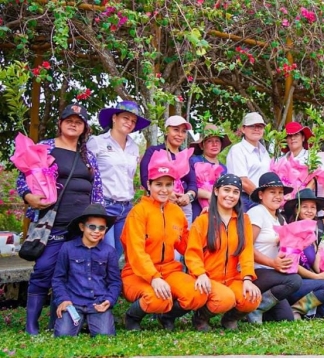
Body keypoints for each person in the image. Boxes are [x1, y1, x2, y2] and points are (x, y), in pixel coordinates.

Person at [16, 103, 104, 335]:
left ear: (85, 127)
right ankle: (31, 325)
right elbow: (23, 179)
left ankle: (58, 322)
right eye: (69, 119)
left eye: (79, 121)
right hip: (52, 222)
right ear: (60, 122)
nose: (74, 123)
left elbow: (97, 190)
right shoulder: (45, 147)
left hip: (82, 227)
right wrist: (29, 197)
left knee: (72, 273)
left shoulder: (87, 156)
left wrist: (98, 216)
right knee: (44, 270)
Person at [121, 149, 207, 331]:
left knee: (198, 294)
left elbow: (187, 245)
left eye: (168, 185)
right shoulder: (138, 213)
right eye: (158, 184)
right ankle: (131, 316)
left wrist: (204, 226)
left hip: (169, 270)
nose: (164, 189)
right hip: (138, 273)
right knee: (159, 298)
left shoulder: (176, 212)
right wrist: (154, 278)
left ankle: (166, 316)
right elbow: (136, 252)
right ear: (148, 184)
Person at [185, 174, 262, 331]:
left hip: (232, 278)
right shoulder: (203, 220)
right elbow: (192, 253)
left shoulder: (244, 220)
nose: (230, 195)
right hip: (208, 277)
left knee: (253, 298)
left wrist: (247, 278)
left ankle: (229, 319)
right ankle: (200, 317)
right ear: (216, 191)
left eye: (235, 192)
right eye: (226, 190)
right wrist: (200, 274)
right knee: (225, 298)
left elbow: (246, 251)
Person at [89, 101, 150, 259]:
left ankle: (111, 284)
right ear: (114, 118)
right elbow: (86, 172)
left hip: (125, 208)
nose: (129, 123)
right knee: (105, 252)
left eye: (133, 121)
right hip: (104, 206)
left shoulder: (134, 147)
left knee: (118, 253)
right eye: (125, 118)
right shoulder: (97, 142)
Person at [51, 204, 121, 337]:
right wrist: (63, 299)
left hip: (97, 303)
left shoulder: (109, 252)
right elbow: (58, 279)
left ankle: (94, 321)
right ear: (82, 227)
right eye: (92, 227)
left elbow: (115, 282)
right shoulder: (67, 248)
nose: (97, 231)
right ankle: (80, 321)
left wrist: (109, 300)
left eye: (101, 228)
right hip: (73, 302)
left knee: (105, 336)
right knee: (63, 336)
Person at [246, 172, 303, 323]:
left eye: (280, 193)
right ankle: (256, 307)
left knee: (286, 318)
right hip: (255, 271)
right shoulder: (257, 212)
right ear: (260, 194)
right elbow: (246, 247)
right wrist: (272, 263)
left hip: (272, 274)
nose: (278, 196)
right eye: (272, 192)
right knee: (294, 280)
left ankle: (255, 305)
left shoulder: (280, 218)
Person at [283, 189, 324, 320]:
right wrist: (317, 277)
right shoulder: (291, 231)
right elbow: (292, 264)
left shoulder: (311, 231)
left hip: (310, 282)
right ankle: (296, 309)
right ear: (296, 209)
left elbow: (315, 259)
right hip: (295, 283)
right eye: (305, 207)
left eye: (313, 207)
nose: (309, 211)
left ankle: (306, 308)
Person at [140, 115, 198, 223]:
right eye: (176, 130)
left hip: (182, 206)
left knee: (183, 238)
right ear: (166, 131)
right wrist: (165, 193)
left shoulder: (185, 156)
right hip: (158, 204)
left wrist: (188, 196)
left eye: (183, 131)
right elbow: (145, 178)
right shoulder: (153, 152)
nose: (180, 135)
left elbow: (193, 182)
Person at [226, 112, 271, 212]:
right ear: (243, 129)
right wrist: (262, 199)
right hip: (245, 200)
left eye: (260, 126)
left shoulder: (264, 152)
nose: (256, 129)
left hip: (262, 200)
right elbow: (243, 181)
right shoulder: (237, 150)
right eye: (252, 126)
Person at [189, 123, 230, 221]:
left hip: (218, 210)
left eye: (217, 141)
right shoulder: (193, 161)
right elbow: (188, 185)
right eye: (209, 141)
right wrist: (208, 195)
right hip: (196, 208)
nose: (214, 144)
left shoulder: (223, 168)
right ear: (202, 145)